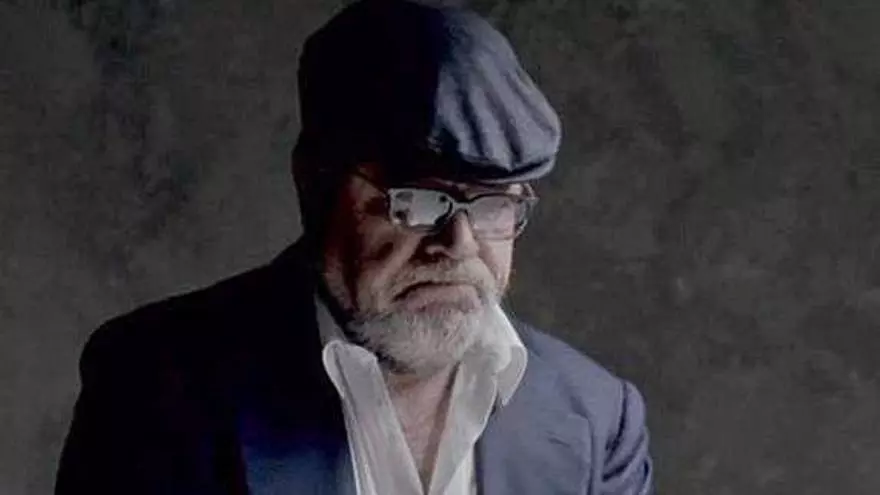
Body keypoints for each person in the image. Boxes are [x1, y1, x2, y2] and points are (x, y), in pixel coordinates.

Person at [55, 0, 654, 494]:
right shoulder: (156, 385)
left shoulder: (599, 420)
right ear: (315, 183)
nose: (458, 243)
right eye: (419, 200)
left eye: (494, 204)